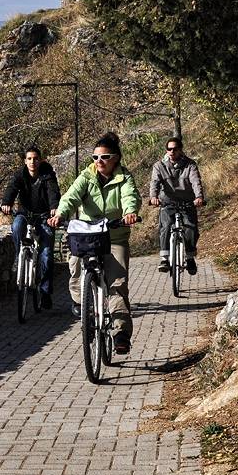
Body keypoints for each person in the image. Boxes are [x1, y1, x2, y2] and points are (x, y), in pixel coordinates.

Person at [48, 132, 141, 354]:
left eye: (105, 157)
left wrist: (130, 212)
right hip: (88, 235)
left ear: (116, 158)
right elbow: (71, 197)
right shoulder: (86, 177)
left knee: (117, 285)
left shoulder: (124, 178)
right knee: (76, 266)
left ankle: (120, 333)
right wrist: (60, 214)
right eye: (95, 157)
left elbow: (130, 196)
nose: (99, 161)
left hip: (114, 236)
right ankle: (85, 310)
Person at [0, 145, 61, 309]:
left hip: (44, 217)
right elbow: (11, 188)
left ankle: (45, 292)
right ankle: (19, 255)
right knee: (17, 225)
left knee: (46, 254)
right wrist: (6, 203)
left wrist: (54, 206)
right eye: (29, 158)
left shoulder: (47, 174)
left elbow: (53, 192)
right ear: (25, 161)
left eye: (35, 158)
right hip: (25, 214)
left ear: (40, 160)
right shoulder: (20, 175)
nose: (32, 161)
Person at [149, 137, 204, 275]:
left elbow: (195, 181)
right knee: (165, 226)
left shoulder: (190, 165)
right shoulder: (159, 166)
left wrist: (199, 197)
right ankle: (164, 259)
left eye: (175, 149)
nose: (172, 151)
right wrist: (153, 197)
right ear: (166, 150)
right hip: (167, 202)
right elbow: (154, 182)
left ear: (180, 150)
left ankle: (190, 258)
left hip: (187, 202)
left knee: (190, 228)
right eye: (169, 149)